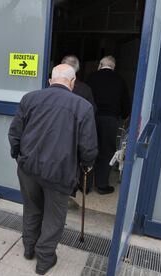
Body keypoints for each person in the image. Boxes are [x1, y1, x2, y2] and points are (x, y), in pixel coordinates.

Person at [8, 64, 98, 275]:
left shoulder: (29, 98)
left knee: (32, 208)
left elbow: (15, 133)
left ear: (50, 81)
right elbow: (89, 146)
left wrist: (18, 156)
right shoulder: (83, 106)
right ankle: (45, 259)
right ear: (73, 83)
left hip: (28, 168)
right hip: (60, 172)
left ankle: (29, 248)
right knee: (54, 216)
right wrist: (87, 164)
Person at [86, 55, 131, 195]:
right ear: (113, 66)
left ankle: (85, 186)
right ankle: (102, 185)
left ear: (100, 64)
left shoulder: (91, 78)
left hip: (91, 118)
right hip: (110, 120)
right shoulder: (120, 80)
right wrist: (124, 116)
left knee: (89, 149)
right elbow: (125, 103)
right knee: (106, 152)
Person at [61, 55, 96, 194]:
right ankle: (72, 189)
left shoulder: (49, 89)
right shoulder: (85, 89)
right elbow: (92, 111)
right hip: (75, 135)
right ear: (77, 70)